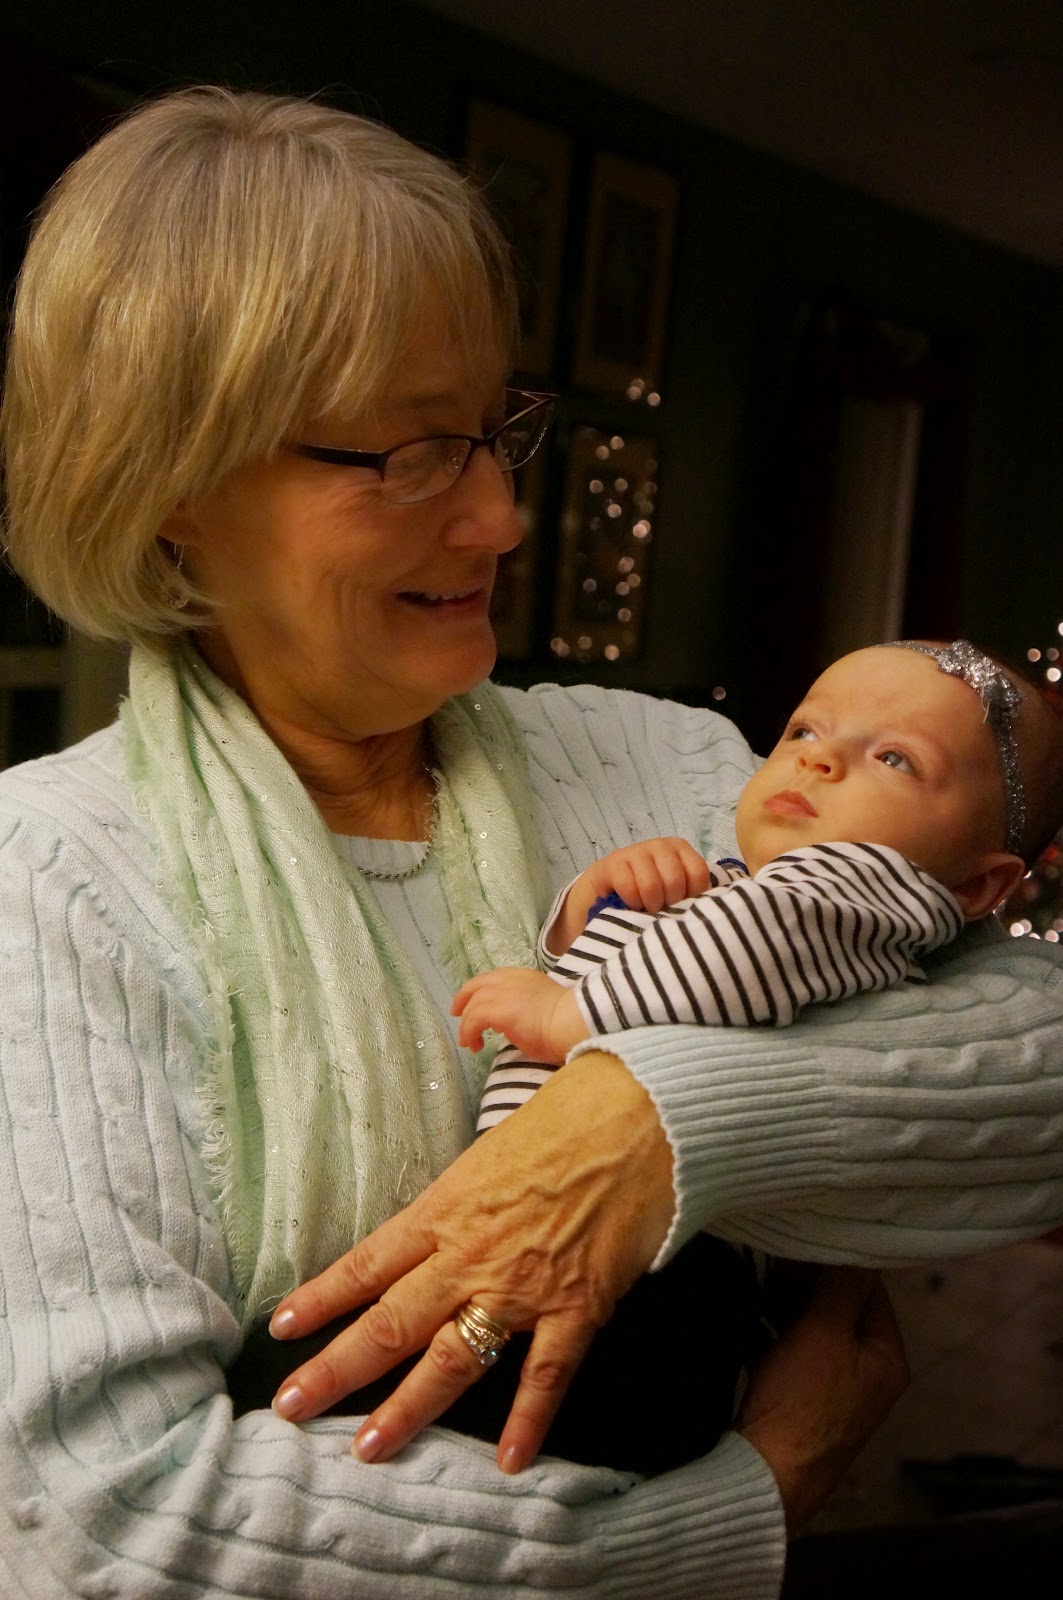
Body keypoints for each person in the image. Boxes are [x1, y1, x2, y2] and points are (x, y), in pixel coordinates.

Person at [0, 86, 1058, 1600]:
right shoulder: (51, 879)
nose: (499, 517)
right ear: (172, 484)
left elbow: (1038, 1060)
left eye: (495, 428)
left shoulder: (662, 767)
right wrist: (723, 1525)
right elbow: (98, 1516)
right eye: (408, 454)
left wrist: (652, 1122)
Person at [457, 639, 1059, 1111]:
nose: (818, 758)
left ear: (975, 887)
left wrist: (560, 1018)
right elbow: (648, 965)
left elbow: (735, 956)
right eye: (804, 730)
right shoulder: (745, 890)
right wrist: (593, 902)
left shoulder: (858, 892)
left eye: (894, 758)